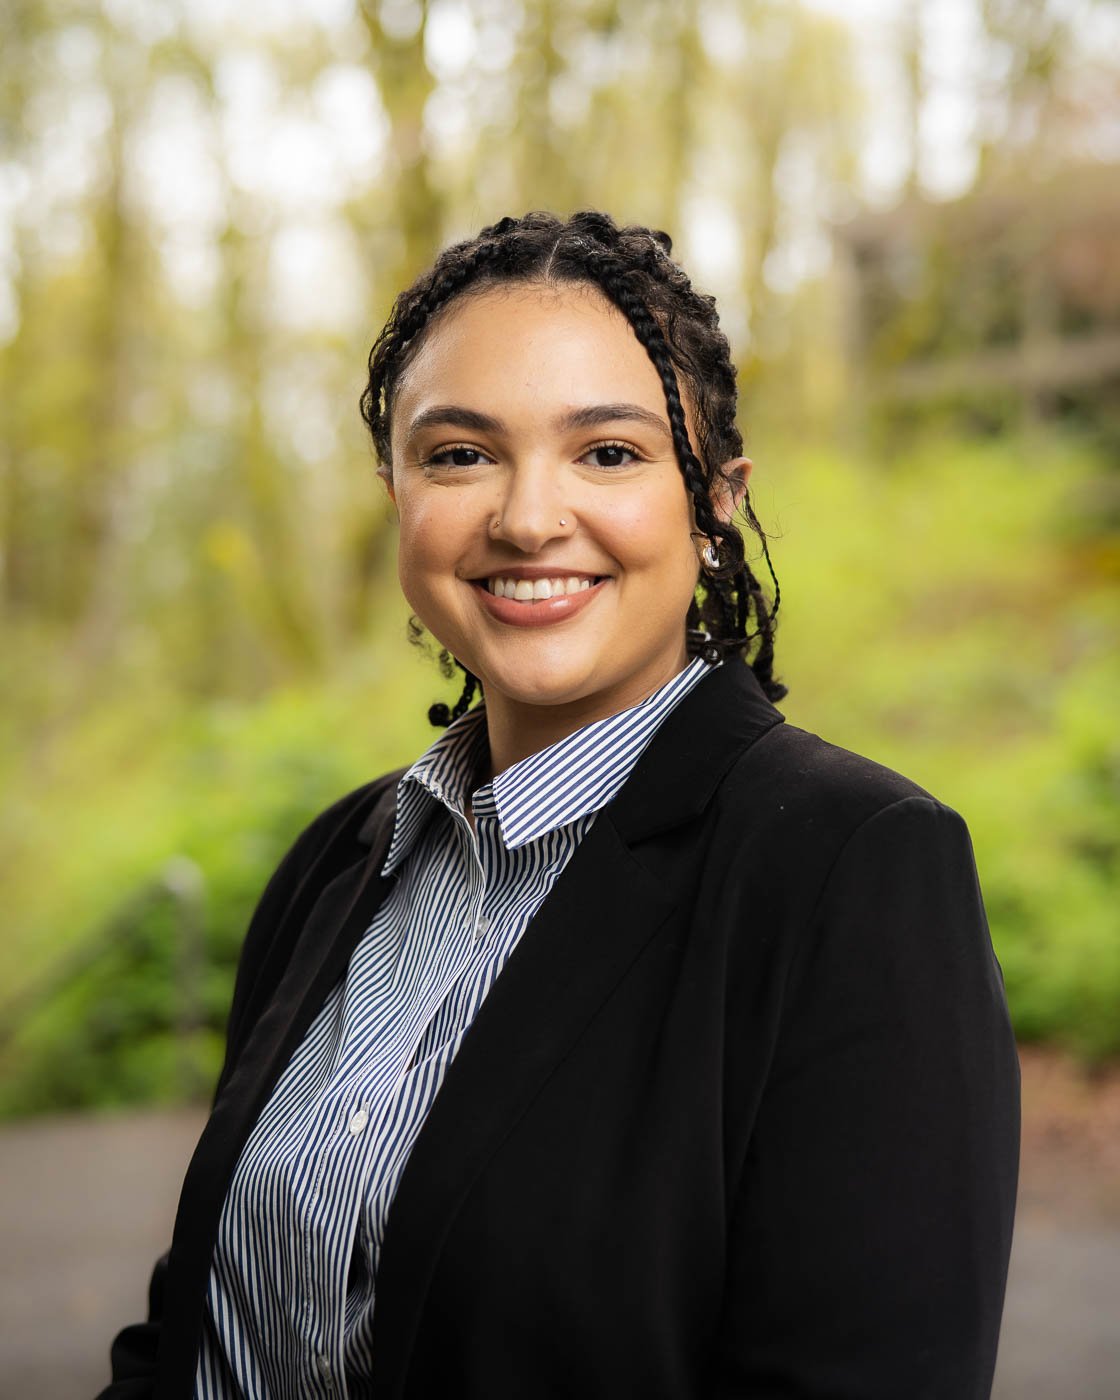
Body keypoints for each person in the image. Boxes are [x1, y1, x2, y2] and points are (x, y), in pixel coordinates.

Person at [99, 210, 1020, 1400]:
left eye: (609, 452)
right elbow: (191, 1332)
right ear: (396, 492)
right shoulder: (337, 859)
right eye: (459, 454)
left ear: (716, 499)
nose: (528, 517)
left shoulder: (853, 868)